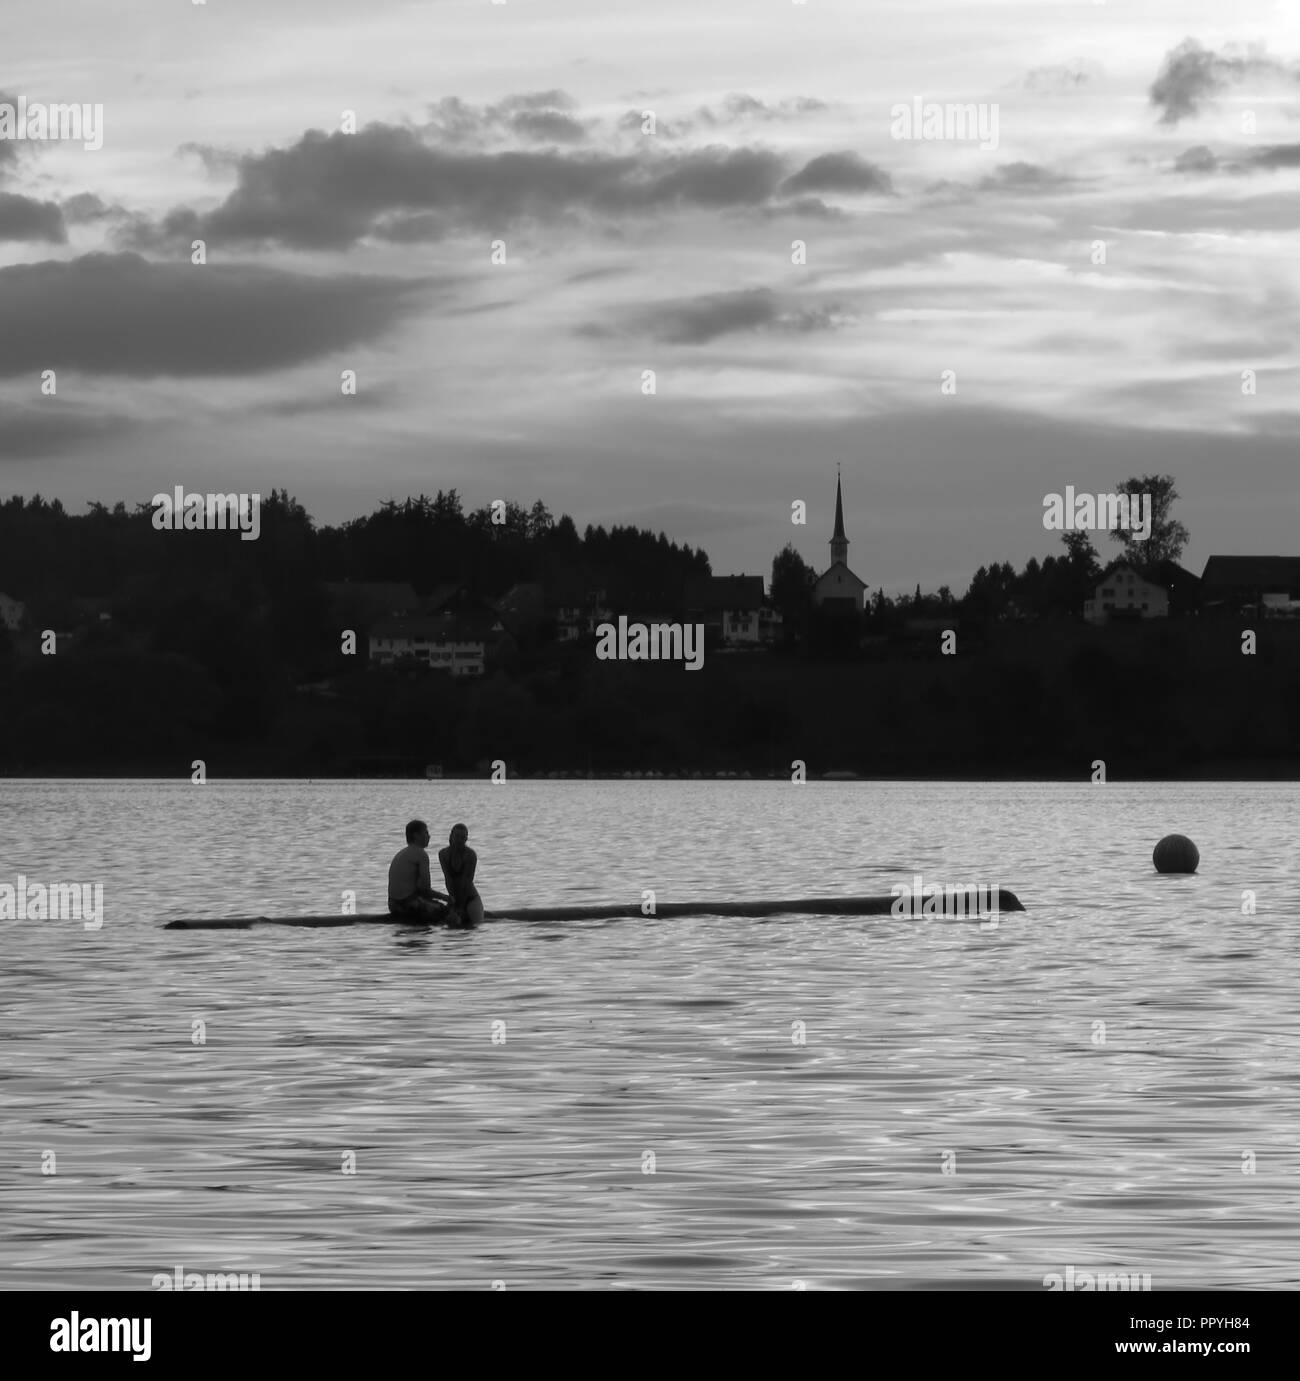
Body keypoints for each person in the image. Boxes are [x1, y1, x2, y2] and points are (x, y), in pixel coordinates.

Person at [388, 820, 448, 921]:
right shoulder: (421, 854)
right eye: (426, 833)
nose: (429, 836)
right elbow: (426, 890)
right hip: (406, 905)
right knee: (448, 911)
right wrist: (446, 898)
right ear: (416, 835)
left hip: (392, 905)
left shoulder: (402, 853)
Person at [439, 822, 485, 926]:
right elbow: (448, 879)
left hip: (471, 899)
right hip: (454, 898)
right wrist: (453, 903)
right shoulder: (443, 854)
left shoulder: (470, 855)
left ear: (466, 839)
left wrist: (461, 907)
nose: (459, 840)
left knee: (477, 925)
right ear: (451, 836)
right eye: (457, 836)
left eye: (463, 838)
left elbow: (467, 882)